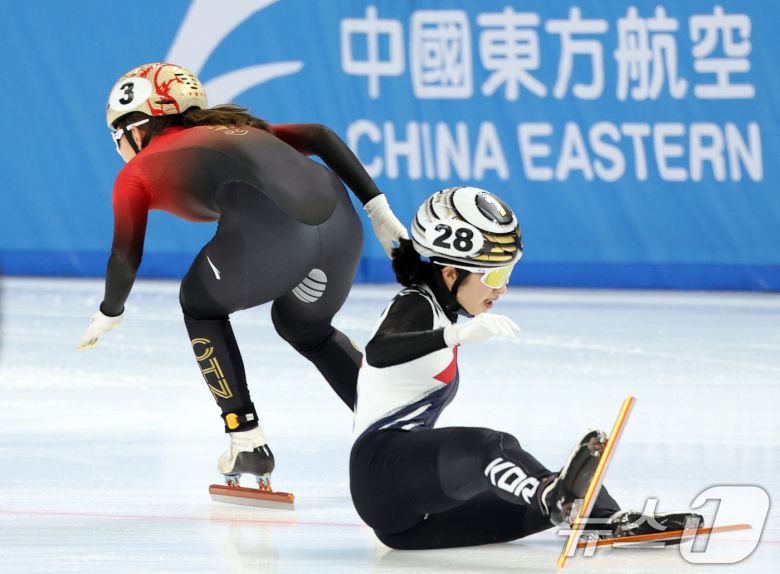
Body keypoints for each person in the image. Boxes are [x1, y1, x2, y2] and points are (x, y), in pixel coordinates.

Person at [77, 62, 407, 490]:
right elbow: (320, 135)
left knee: (199, 303)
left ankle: (246, 439)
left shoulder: (136, 173)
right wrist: (378, 210)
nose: (119, 147)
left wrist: (110, 311)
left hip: (278, 236)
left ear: (137, 128)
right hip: (342, 230)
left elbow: (125, 256)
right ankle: (398, 430)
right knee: (304, 328)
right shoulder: (240, 127)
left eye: (117, 135)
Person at [349, 186, 700, 549]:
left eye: (507, 274)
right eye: (494, 277)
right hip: (380, 477)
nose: (502, 289)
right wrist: (454, 335)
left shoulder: (440, 305)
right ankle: (550, 494)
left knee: (569, 488)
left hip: (411, 523)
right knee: (490, 447)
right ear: (451, 274)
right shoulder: (415, 304)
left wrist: (377, 208)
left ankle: (604, 519)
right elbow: (379, 350)